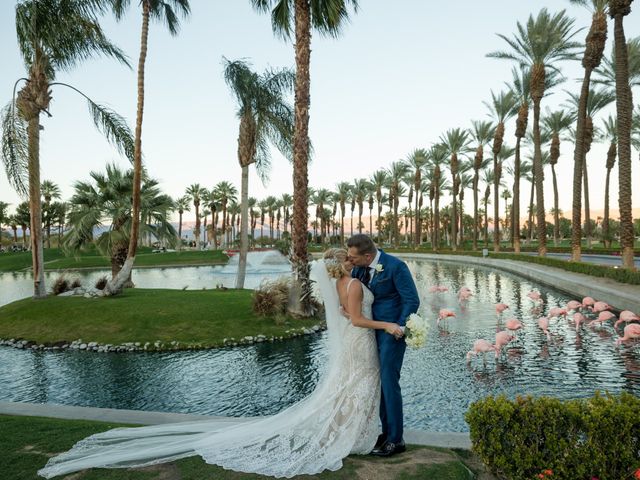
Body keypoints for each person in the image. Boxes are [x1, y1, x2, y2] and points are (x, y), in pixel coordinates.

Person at [38, 248, 399, 479]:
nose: (353, 260)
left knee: (349, 386)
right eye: (349, 258)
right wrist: (387, 324)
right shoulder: (351, 285)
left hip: (356, 343)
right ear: (344, 265)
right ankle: (349, 436)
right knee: (357, 385)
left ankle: (347, 433)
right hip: (361, 339)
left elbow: (340, 312)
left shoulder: (343, 286)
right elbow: (354, 318)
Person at [346, 234, 420, 457]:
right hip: (369, 332)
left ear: (367, 256)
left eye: (353, 257)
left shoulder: (396, 267)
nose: (351, 260)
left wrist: (399, 327)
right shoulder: (359, 269)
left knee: (389, 383)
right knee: (378, 383)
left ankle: (396, 440)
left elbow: (412, 300)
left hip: (392, 334)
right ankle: (386, 433)